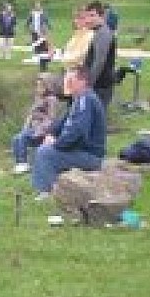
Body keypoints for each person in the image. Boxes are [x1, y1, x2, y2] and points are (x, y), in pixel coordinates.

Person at [31, 65, 106, 199]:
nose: (66, 83)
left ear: (82, 82)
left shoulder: (86, 100)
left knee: (45, 153)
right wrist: (50, 134)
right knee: (44, 147)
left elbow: (77, 133)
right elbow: (59, 124)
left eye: (70, 80)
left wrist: (56, 144)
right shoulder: (79, 100)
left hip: (90, 156)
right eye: (66, 79)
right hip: (81, 151)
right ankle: (52, 186)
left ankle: (47, 192)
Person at [12, 74, 60, 174]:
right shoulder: (38, 98)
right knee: (16, 138)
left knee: (23, 137)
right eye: (37, 85)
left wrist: (39, 130)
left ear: (48, 86)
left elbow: (51, 119)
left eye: (41, 86)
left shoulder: (52, 99)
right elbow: (30, 115)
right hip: (33, 129)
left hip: (42, 132)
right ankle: (19, 163)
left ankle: (23, 163)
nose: (38, 88)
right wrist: (25, 127)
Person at [83, 1, 117, 110]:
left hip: (100, 87)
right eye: (87, 16)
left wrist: (87, 84)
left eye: (92, 15)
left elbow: (99, 62)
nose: (89, 19)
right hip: (97, 85)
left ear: (102, 16)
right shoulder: (98, 32)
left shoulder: (103, 33)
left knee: (96, 123)